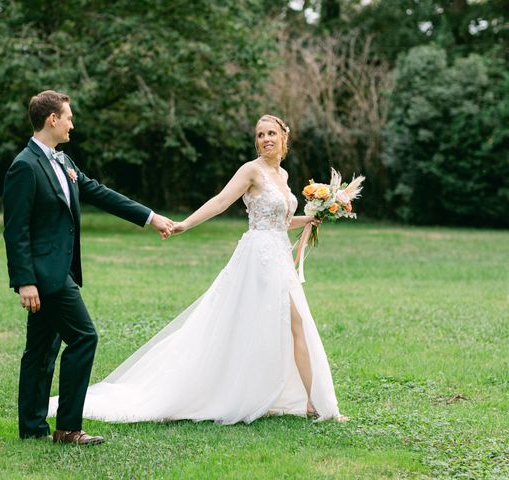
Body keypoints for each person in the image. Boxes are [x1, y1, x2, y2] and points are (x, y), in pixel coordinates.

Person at [48, 114, 349, 424]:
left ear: (284, 138)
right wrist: (185, 224)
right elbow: (220, 202)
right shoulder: (251, 171)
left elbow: (281, 223)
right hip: (258, 259)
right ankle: (313, 404)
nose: (265, 139)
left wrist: (313, 219)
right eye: (260, 135)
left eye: (271, 133)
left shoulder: (283, 177)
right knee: (292, 321)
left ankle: (307, 401)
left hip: (279, 256)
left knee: (285, 323)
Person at [3, 90, 174, 445]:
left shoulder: (64, 162)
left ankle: (32, 428)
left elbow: (98, 192)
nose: (72, 123)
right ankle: (67, 428)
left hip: (61, 271)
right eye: (68, 116)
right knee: (84, 337)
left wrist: (150, 217)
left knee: (41, 350)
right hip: (45, 275)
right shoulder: (24, 165)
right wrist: (25, 281)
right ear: (52, 119)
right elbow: (15, 229)